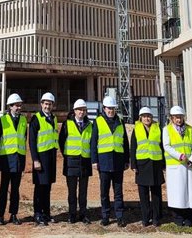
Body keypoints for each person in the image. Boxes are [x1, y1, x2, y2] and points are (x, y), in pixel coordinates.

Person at [90, 95, 130, 227]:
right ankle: (105, 216)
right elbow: (93, 142)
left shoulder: (120, 122)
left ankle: (120, 217)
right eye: (108, 108)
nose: (111, 110)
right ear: (104, 108)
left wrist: (126, 160)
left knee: (118, 192)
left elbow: (125, 142)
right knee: (104, 192)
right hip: (104, 162)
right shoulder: (98, 122)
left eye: (113, 108)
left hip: (118, 162)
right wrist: (94, 161)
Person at [162, 105, 192, 227]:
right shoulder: (167, 130)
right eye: (176, 117)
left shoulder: (191, 130)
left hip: (189, 165)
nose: (178, 120)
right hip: (175, 166)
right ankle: (178, 217)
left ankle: (189, 217)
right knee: (177, 193)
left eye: (180, 117)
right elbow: (167, 146)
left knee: (190, 193)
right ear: (172, 118)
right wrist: (179, 156)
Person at [58, 98, 93, 224]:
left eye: (83, 110)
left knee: (83, 191)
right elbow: (61, 141)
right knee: (71, 191)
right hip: (71, 162)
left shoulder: (90, 125)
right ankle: (72, 214)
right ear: (74, 111)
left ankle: (83, 214)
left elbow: (92, 143)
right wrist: (67, 155)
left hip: (85, 161)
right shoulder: (67, 124)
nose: (81, 112)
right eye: (79, 110)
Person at [0, 93, 27, 225]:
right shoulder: (2, 121)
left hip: (19, 159)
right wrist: (4, 151)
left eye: (20, 105)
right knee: (3, 189)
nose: (19, 107)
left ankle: (13, 214)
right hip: (6, 160)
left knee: (15, 189)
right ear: (10, 106)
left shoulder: (24, 120)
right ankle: (0, 215)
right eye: (16, 105)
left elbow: (24, 138)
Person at [130, 106, 164, 227]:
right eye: (144, 116)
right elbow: (133, 147)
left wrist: (163, 164)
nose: (147, 118)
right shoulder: (137, 129)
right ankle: (145, 217)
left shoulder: (158, 128)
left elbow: (162, 146)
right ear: (140, 118)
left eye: (149, 116)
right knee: (143, 193)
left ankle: (156, 217)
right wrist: (133, 164)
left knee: (156, 193)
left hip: (155, 163)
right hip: (142, 164)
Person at [29, 92, 58, 226]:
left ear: (52, 105)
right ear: (41, 104)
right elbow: (32, 141)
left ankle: (46, 213)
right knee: (40, 187)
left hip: (51, 158)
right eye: (45, 104)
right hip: (40, 158)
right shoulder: (36, 119)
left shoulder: (54, 118)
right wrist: (35, 159)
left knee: (47, 187)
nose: (47, 106)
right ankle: (38, 214)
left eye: (50, 104)